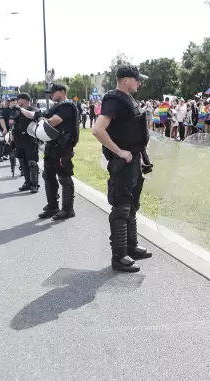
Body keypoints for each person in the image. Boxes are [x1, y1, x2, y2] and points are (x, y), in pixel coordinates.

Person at [92, 65, 152, 273]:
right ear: (126, 79)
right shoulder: (114, 100)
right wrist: (119, 151)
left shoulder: (128, 99)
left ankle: (131, 247)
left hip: (134, 160)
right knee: (122, 207)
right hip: (123, 163)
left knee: (132, 205)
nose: (139, 83)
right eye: (136, 79)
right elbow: (97, 129)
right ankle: (119, 257)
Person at [38, 84, 79, 220]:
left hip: (63, 148)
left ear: (62, 91)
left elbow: (54, 122)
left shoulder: (66, 106)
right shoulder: (57, 107)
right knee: (48, 175)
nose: (50, 95)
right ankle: (52, 206)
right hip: (52, 147)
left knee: (64, 178)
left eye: (53, 92)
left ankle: (67, 209)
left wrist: (43, 120)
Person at [12, 93, 41, 193]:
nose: (18, 103)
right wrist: (12, 140)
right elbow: (13, 125)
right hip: (19, 140)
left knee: (32, 162)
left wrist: (20, 109)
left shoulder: (34, 109)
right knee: (23, 162)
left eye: (19, 100)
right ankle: (27, 183)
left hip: (30, 140)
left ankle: (35, 184)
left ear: (25, 100)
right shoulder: (18, 111)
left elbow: (32, 115)